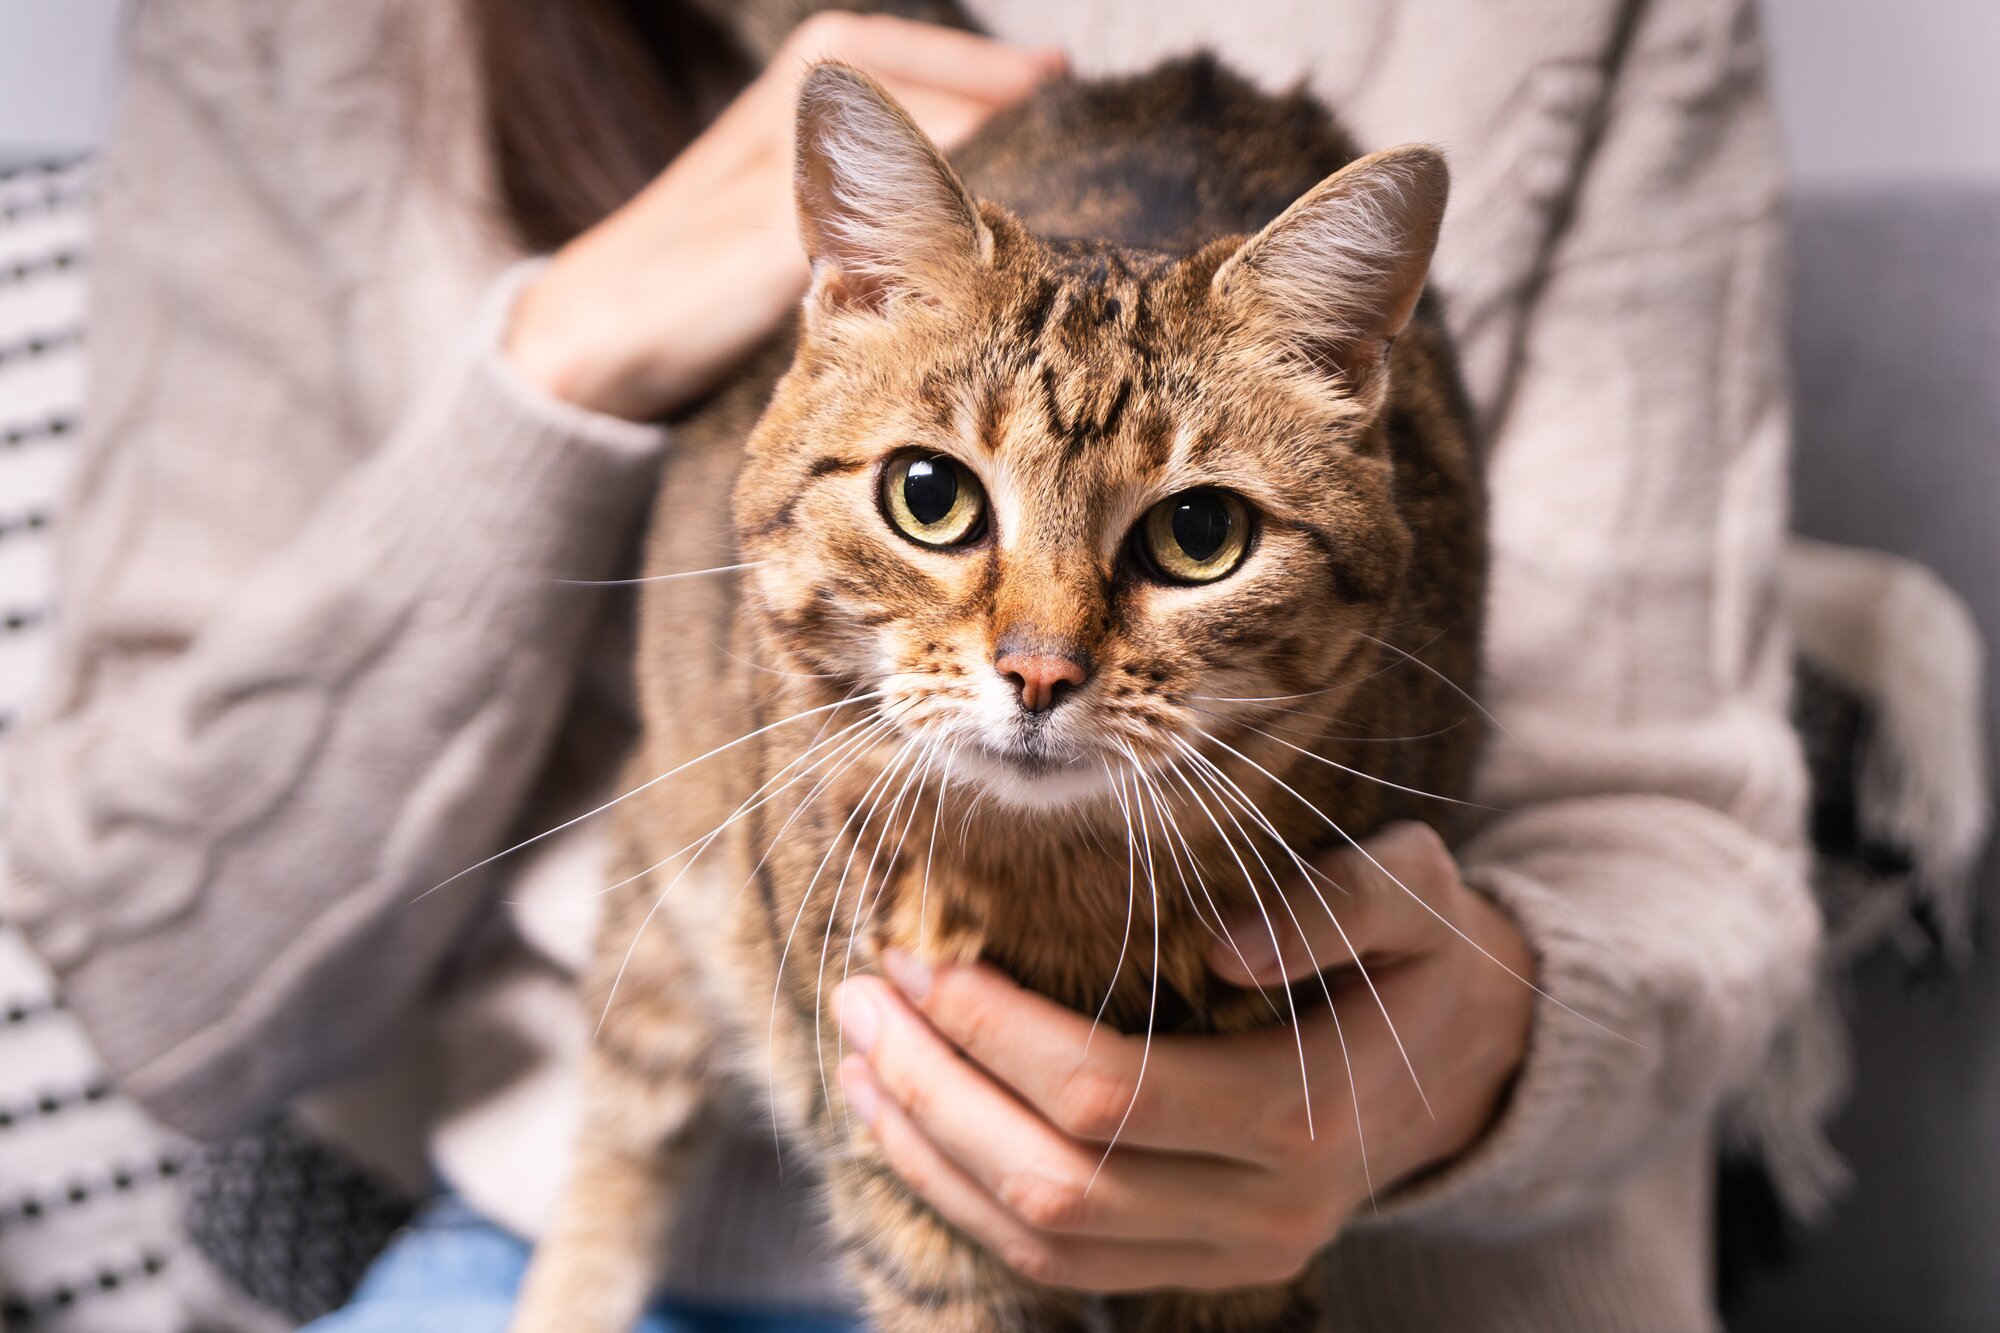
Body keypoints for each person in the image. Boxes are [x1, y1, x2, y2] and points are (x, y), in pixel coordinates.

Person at [4, 1, 1817, 1330]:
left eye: (1181, 542)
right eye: (947, 496)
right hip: (595, 1233)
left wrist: (1476, 1055)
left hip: (1425, 1261)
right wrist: (557, 362)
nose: (1039, 658)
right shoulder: (286, 42)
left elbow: (1683, 839)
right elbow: (149, 987)